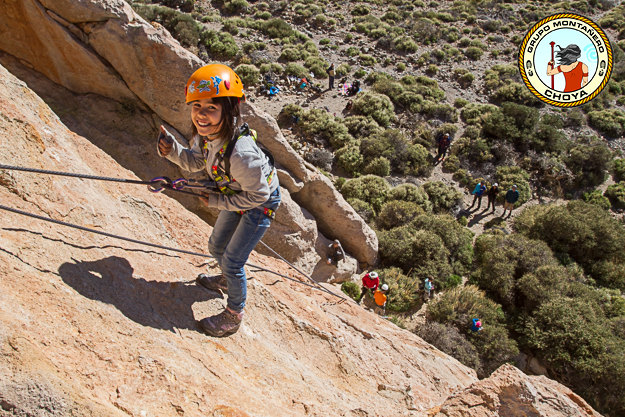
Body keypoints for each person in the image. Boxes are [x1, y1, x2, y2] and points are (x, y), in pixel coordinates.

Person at [157, 63, 281, 337]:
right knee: (216, 247)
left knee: (234, 260)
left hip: (259, 203)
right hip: (238, 194)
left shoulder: (241, 154)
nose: (202, 115)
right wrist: (172, 151)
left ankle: (234, 315)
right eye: (197, 106)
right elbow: (194, 161)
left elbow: (259, 195)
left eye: (211, 108)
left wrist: (217, 202)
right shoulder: (208, 135)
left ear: (229, 110)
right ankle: (226, 279)